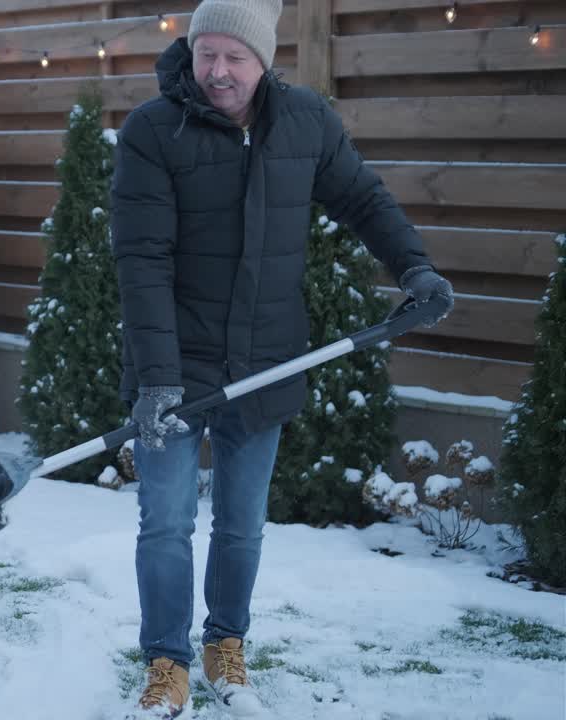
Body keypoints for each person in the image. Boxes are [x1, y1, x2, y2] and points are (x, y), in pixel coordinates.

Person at [109, 0, 454, 716]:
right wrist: (158, 379)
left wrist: (415, 269)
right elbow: (142, 261)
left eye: (234, 57)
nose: (217, 71)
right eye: (206, 53)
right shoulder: (153, 131)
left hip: (266, 361)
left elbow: (363, 199)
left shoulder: (306, 122)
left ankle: (225, 644)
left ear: (263, 60)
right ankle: (167, 660)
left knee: (242, 523)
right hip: (174, 363)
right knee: (166, 522)